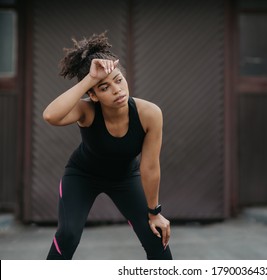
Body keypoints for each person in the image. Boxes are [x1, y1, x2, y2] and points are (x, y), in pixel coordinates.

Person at [42, 32, 172, 260]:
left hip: (125, 177)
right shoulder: (87, 110)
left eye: (119, 80)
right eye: (104, 87)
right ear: (92, 94)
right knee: (68, 234)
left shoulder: (149, 114)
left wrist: (155, 213)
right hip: (82, 176)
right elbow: (51, 116)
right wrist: (90, 79)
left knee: (156, 237)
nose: (117, 90)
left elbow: (150, 168)